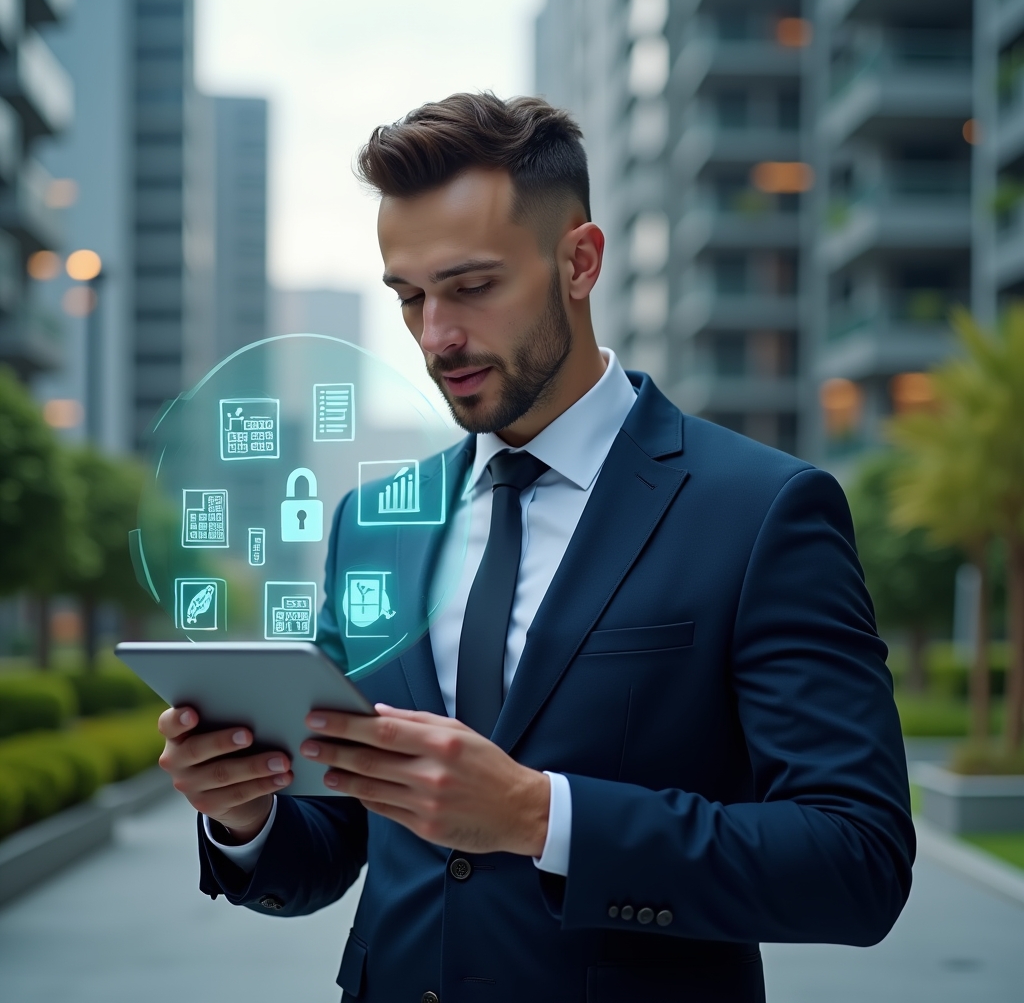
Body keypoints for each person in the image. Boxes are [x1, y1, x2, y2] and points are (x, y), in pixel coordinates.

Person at [158, 93, 914, 1003]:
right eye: (409, 297)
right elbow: (339, 841)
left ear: (580, 262)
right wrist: (245, 812)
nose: (436, 336)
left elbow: (856, 861)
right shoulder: (374, 522)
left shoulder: (762, 511)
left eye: (472, 286)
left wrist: (538, 816)